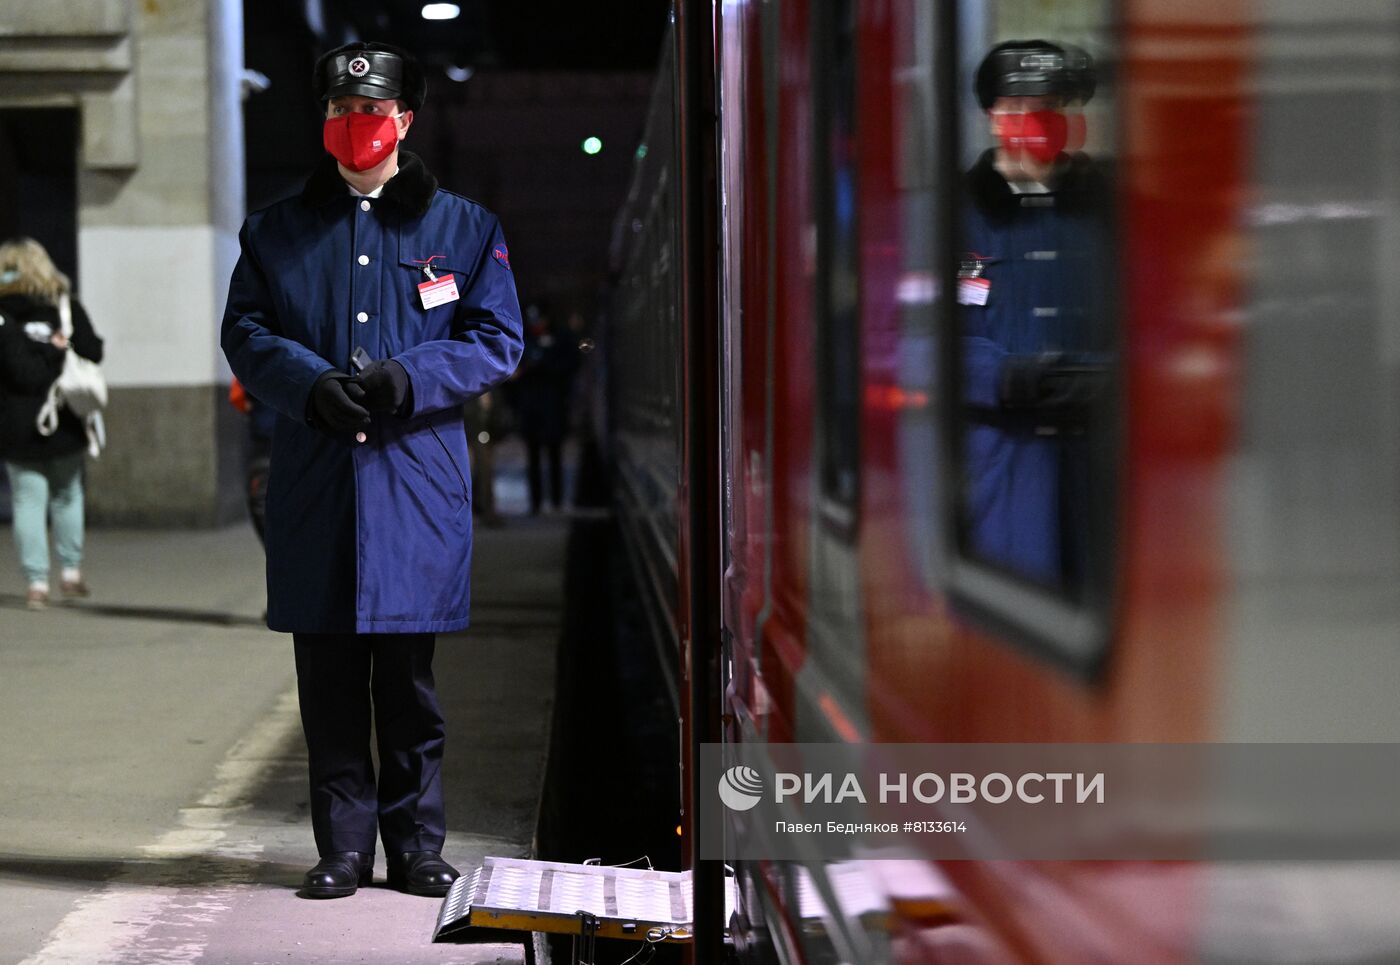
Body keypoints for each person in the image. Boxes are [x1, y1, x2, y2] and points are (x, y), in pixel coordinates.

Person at [220, 41, 523, 900]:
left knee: (408, 685)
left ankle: (417, 845)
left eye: (373, 113)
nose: (359, 127)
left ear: (404, 121)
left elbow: (497, 339)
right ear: (325, 122)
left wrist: (410, 377)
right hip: (317, 484)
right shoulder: (276, 232)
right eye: (343, 113)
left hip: (413, 484)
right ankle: (343, 850)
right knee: (328, 685)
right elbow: (245, 331)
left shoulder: (464, 229)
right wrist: (308, 385)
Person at [957, 40, 1111, 595]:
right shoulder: (958, 214)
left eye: (1051, 108)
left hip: (1101, 465)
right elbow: (918, 340)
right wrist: (1003, 376)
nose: (1038, 123)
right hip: (1004, 472)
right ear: (992, 117)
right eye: (1020, 110)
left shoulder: (1109, 207)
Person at [0, 238, 104, 610]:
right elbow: (94, 350)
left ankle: (36, 584)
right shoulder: (64, 307)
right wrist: (60, 346)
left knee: (28, 501)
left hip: (13, 422)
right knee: (67, 494)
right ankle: (71, 573)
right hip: (63, 418)